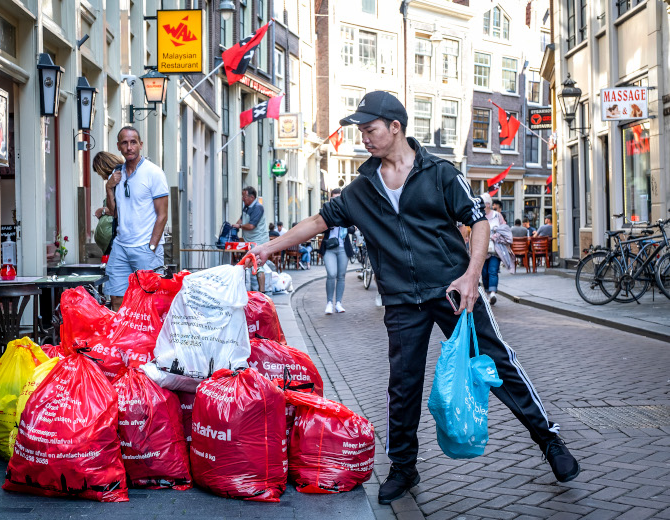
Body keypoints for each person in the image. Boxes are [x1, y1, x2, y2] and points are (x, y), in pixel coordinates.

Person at [245, 90, 579, 504]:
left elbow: (478, 223)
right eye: (361, 131)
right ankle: (403, 467)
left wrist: (472, 276)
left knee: (497, 362)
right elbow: (317, 221)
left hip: (454, 290)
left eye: (370, 130)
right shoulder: (362, 188)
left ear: (395, 127)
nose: (364, 138)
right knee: (402, 385)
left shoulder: (439, 173)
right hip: (402, 298)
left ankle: (549, 441)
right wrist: (267, 248)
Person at [103, 126, 169, 311]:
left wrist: (152, 247)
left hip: (145, 248)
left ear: (140, 145)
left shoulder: (154, 173)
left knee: (150, 303)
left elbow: (162, 215)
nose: (129, 147)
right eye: (124, 143)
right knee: (117, 300)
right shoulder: (116, 175)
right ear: (118, 146)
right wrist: (109, 188)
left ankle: (151, 340)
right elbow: (114, 212)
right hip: (121, 247)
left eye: (133, 142)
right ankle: (120, 339)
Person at [320, 188, 354, 313]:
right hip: (329, 248)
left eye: (338, 199)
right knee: (331, 274)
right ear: (330, 199)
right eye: (334, 199)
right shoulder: (325, 213)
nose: (336, 202)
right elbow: (319, 229)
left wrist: (343, 224)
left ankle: (338, 303)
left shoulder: (347, 212)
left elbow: (353, 229)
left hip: (342, 248)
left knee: (341, 276)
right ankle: (329, 302)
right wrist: (329, 225)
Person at [233, 186, 269, 292]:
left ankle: (262, 292)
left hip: (258, 240)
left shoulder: (258, 207)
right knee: (253, 264)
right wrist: (235, 226)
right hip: (250, 240)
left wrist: (239, 226)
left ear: (252, 197)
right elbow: (241, 219)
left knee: (258, 265)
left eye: (244, 196)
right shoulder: (247, 206)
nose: (242, 198)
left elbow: (251, 226)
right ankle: (254, 290)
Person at [93, 152, 124, 255]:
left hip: (116, 239)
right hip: (112, 241)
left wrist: (103, 211)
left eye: (99, 172)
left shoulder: (117, 178)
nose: (101, 176)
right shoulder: (115, 177)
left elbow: (120, 208)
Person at [481, 193, 506, 306]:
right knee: (484, 273)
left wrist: (495, 236)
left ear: (488, 204)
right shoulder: (479, 217)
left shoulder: (497, 215)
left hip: (495, 249)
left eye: (483, 204)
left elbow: (504, 229)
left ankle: (492, 293)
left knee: (493, 271)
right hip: (482, 250)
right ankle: (487, 292)